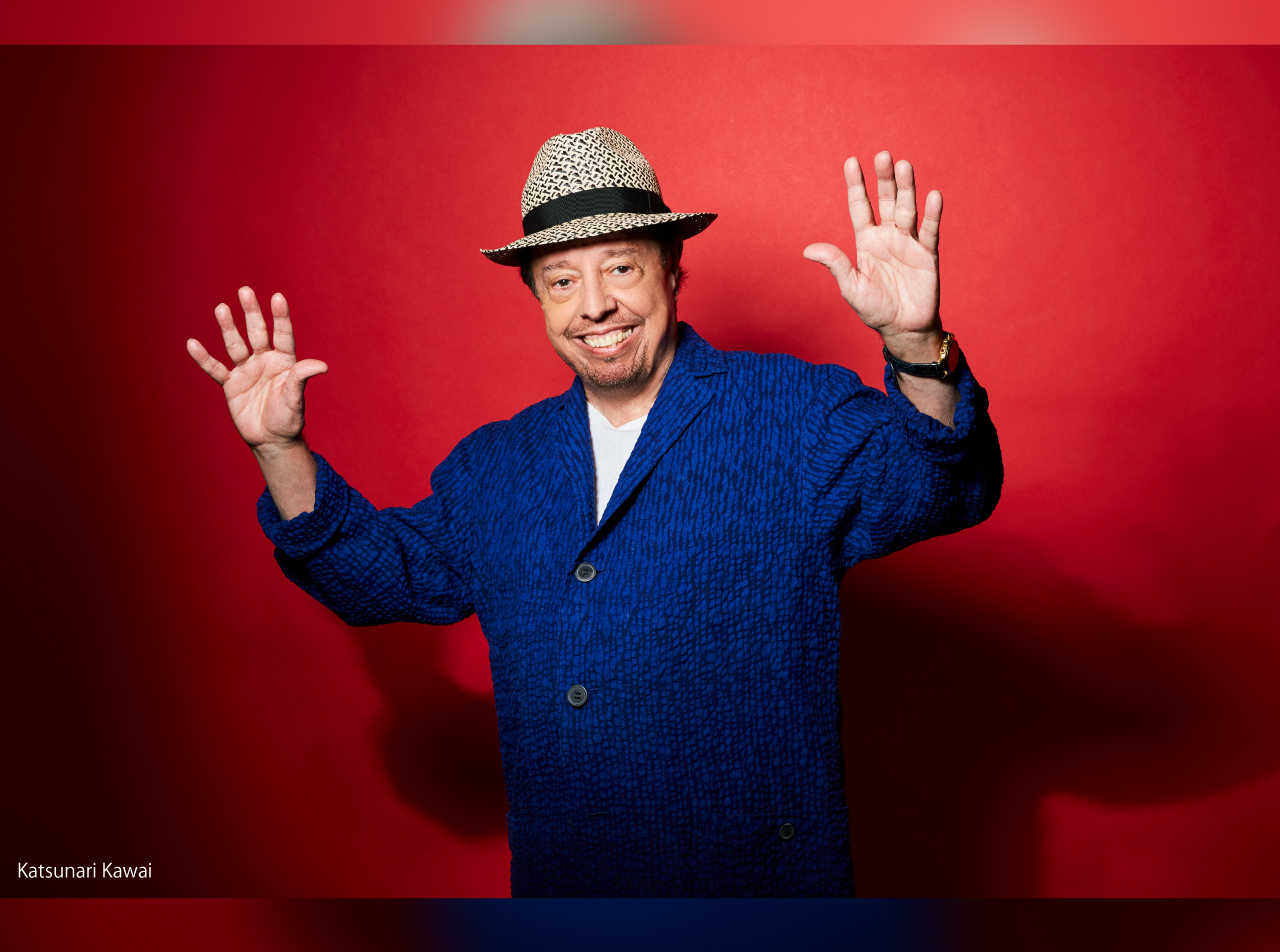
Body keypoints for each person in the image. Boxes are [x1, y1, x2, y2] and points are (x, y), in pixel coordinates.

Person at [187, 127, 1002, 897]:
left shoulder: (791, 409)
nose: (595, 306)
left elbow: (942, 487)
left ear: (672, 271)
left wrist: (916, 345)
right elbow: (377, 577)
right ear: (538, 300)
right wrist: (280, 450)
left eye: (620, 267)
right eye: (562, 281)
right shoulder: (496, 464)